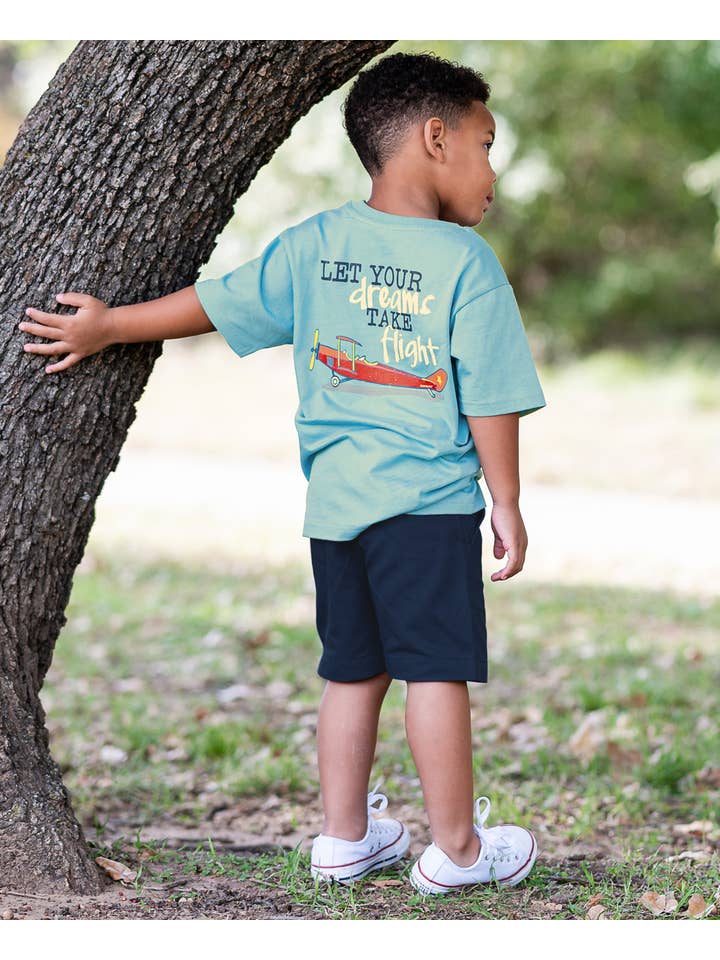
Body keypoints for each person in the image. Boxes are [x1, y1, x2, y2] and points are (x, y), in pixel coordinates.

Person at [19, 51, 546, 896]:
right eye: (486, 145)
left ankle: (342, 838)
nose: (493, 172)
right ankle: (459, 850)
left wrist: (113, 326)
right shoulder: (464, 264)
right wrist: (508, 501)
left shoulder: (317, 244)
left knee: (352, 670)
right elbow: (490, 397)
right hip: (427, 505)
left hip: (336, 508)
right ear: (435, 139)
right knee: (435, 668)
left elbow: (219, 302)